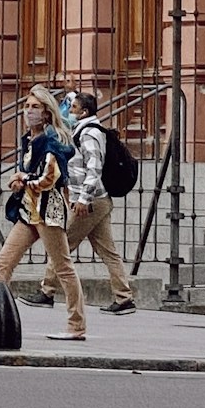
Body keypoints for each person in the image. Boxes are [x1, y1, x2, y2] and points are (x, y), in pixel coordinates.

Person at [0, 84, 85, 341]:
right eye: (27, 107)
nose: (29, 112)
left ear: (47, 112)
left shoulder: (52, 140)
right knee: (5, 261)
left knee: (63, 267)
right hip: (29, 210)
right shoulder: (28, 139)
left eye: (35, 107)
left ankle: (76, 326)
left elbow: (51, 178)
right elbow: (29, 172)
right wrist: (21, 181)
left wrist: (23, 179)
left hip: (48, 210)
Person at [62, 90, 138, 314]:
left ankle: (46, 291)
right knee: (108, 251)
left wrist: (83, 199)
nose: (70, 111)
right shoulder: (80, 130)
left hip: (91, 202)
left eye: (73, 108)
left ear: (84, 112)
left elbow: (94, 169)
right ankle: (124, 298)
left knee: (63, 246)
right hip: (96, 200)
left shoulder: (89, 134)